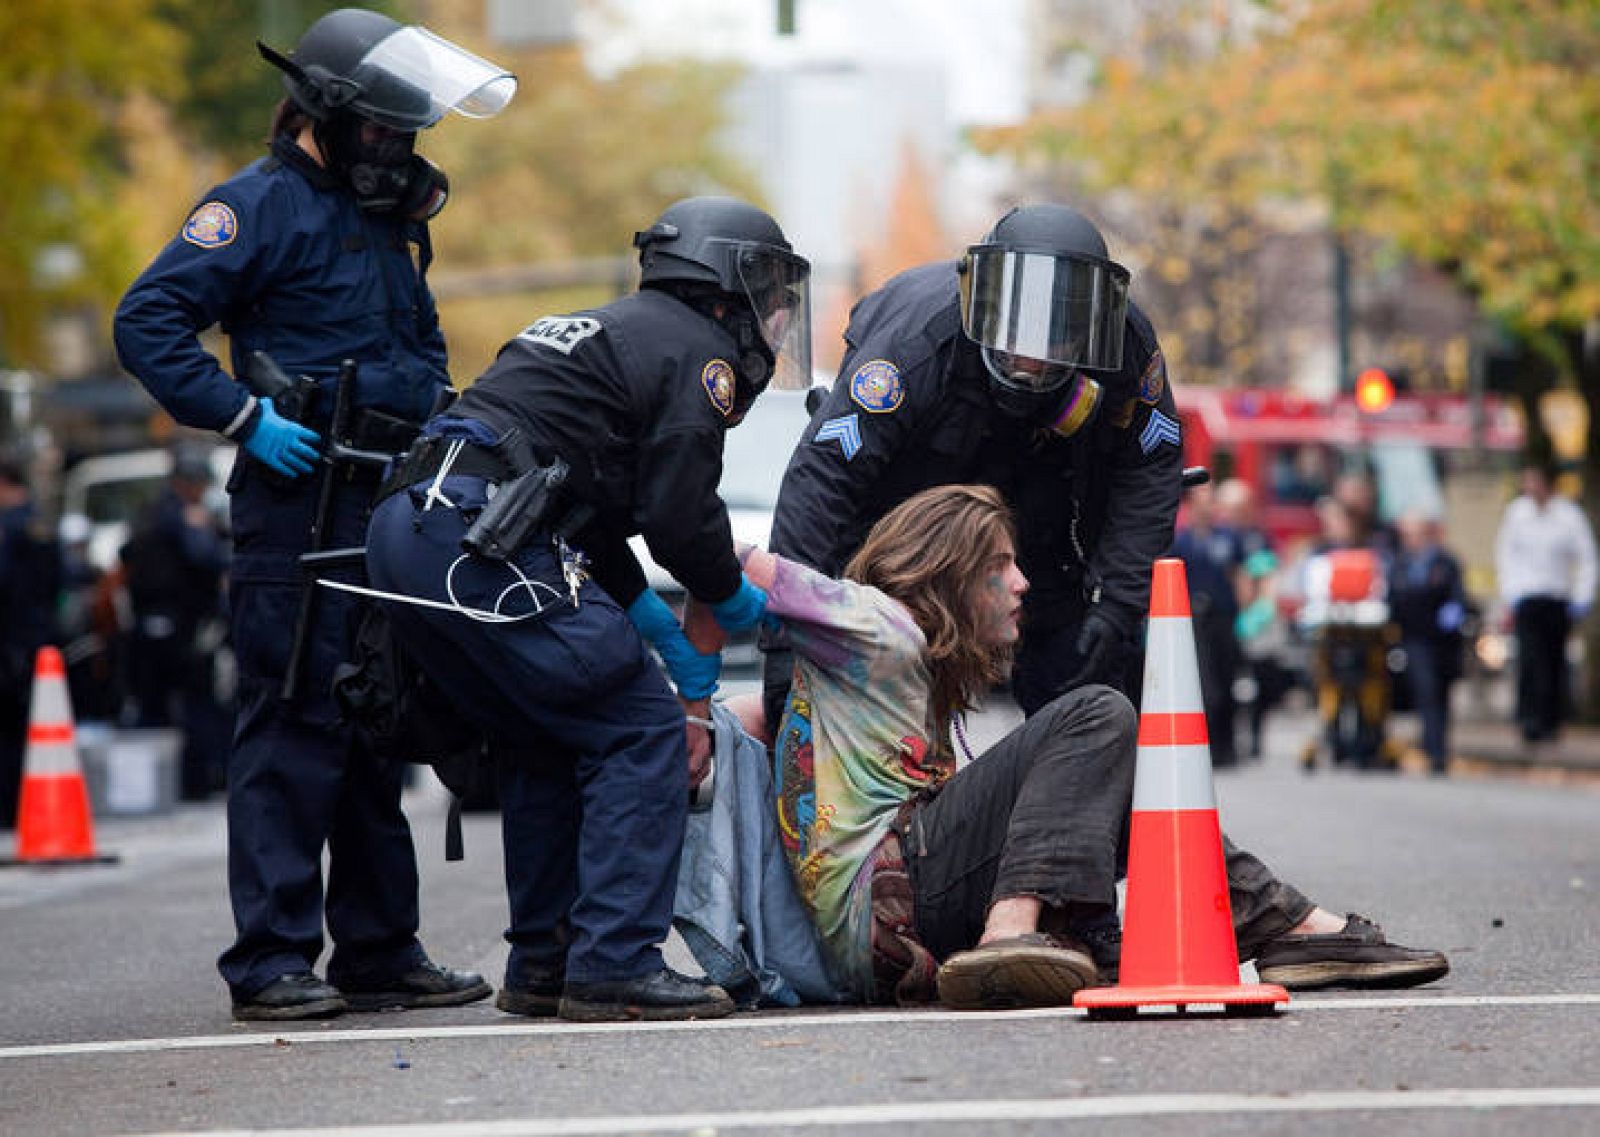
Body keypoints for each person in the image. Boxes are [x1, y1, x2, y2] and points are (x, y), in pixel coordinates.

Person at [112, 7, 515, 1020]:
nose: (397, 149)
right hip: (295, 503)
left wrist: (443, 439)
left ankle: (379, 950)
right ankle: (270, 961)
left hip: (383, 502)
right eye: (380, 130)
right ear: (322, 116)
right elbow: (146, 320)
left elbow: (420, 349)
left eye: (404, 131)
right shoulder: (254, 207)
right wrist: (241, 418)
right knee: (293, 726)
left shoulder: (383, 219)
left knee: (375, 720)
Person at [696, 485, 1448, 1008]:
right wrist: (693, 703)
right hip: (891, 911)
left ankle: (1288, 923)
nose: (1021, 582)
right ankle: (1010, 933)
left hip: (885, 925)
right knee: (1094, 714)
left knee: (1113, 768)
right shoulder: (879, 625)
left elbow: (761, 727)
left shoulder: (889, 673)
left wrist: (719, 724)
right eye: (998, 564)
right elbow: (714, 556)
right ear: (950, 570)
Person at [363, 195, 814, 1022]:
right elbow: (681, 514)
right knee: (637, 727)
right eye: (768, 293)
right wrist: (733, 597)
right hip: (480, 531)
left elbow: (588, 515)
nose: (773, 319)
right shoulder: (699, 352)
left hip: (419, 524)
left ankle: (546, 958)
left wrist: (653, 625)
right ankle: (613, 962)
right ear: (727, 287)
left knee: (548, 731)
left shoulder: (601, 329)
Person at [767, 202, 1183, 728]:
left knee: (1088, 700)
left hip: (1045, 524)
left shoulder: (1125, 343)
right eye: (1020, 335)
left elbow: (1150, 470)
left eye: (1055, 337)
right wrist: (788, 639)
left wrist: (1118, 605)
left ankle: (1056, 802)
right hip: (908, 530)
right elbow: (824, 479)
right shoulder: (915, 343)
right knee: (888, 707)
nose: (1032, 360)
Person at [118, 447, 232, 799]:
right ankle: (196, 782)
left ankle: (149, 786)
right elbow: (208, 557)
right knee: (196, 702)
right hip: (183, 625)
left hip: (149, 625)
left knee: (152, 704)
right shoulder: (185, 517)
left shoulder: (149, 514)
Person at [1494, 460, 1598, 748]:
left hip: (1557, 597)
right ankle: (1528, 722)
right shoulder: (1518, 513)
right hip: (1527, 597)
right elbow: (1506, 553)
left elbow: (1587, 558)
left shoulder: (1569, 516)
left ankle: (1552, 722)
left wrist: (1582, 597)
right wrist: (1509, 592)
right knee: (1528, 660)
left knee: (1554, 662)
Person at [0, 456, 61, 831]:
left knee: (10, 729)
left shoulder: (10, 527)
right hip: (37, 635)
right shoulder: (39, 524)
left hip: (10, 639)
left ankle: (10, 806)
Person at [1169, 482, 1244, 766]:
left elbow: (1238, 575)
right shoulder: (1181, 541)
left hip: (1223, 616)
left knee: (1227, 680)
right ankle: (1205, 745)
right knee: (1203, 683)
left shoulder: (1228, 538)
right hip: (1193, 619)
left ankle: (1227, 745)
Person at [1388, 511, 1468, 775]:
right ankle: (1434, 750)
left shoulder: (1445, 562)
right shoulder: (1401, 563)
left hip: (1442, 640)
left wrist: (1452, 617)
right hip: (1414, 638)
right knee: (1426, 692)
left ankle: (1438, 747)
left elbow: (1457, 597)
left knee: (1440, 694)